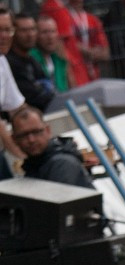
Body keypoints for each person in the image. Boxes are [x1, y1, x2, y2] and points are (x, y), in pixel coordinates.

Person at [12, 103, 95, 187]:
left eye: (36, 132)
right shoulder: (35, 164)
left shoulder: (62, 163)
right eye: (24, 135)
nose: (31, 140)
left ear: (48, 130)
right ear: (14, 139)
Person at [40, 0, 109, 86]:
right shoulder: (55, 7)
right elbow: (61, 47)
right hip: (75, 73)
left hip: (82, 72)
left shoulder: (57, 6)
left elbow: (105, 53)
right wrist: (71, 79)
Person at [7, 12, 56, 112]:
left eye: (32, 29)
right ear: (13, 33)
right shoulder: (9, 63)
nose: (30, 35)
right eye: (24, 30)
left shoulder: (33, 61)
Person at [0, 5, 25, 179]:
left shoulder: (2, 61)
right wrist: (21, 154)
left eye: (8, 30)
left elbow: (18, 108)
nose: (4, 36)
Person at [31, 14, 75, 93]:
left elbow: (72, 89)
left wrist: (65, 62)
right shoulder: (31, 58)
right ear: (36, 35)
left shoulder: (59, 59)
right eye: (44, 32)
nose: (50, 37)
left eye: (53, 31)